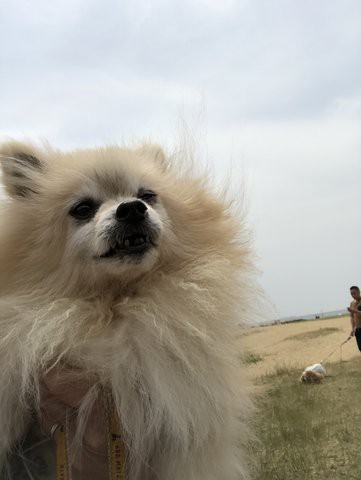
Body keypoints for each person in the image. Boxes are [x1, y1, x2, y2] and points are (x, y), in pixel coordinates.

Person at [347, 285, 361, 352]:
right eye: (351, 294)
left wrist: (355, 311)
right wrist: (352, 329)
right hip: (357, 330)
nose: (353, 295)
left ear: (359, 292)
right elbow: (352, 317)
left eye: (354, 293)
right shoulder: (352, 304)